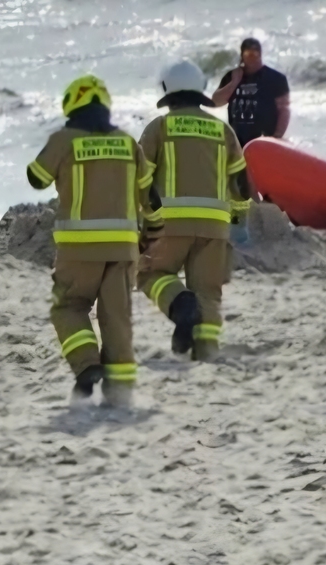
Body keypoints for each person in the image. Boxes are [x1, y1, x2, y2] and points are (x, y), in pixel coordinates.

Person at [26, 74, 151, 406]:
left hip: (79, 248)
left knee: (68, 307)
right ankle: (121, 394)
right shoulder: (128, 143)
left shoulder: (64, 139)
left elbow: (36, 178)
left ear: (71, 106)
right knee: (117, 317)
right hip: (124, 249)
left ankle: (87, 367)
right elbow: (151, 195)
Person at [137, 61, 251, 363]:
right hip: (215, 227)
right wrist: (239, 218)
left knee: (151, 273)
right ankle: (206, 352)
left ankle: (180, 303)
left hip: (168, 225)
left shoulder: (159, 128)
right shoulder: (222, 130)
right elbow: (241, 182)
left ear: (166, 91)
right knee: (209, 292)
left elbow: (139, 178)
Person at [212, 38, 291, 147]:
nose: (253, 58)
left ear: (261, 54)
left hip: (265, 140)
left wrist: (277, 136)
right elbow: (216, 102)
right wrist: (234, 83)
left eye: (255, 54)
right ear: (242, 56)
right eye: (248, 54)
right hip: (236, 141)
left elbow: (284, 110)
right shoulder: (232, 76)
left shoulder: (275, 78)